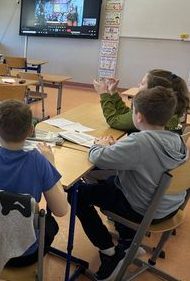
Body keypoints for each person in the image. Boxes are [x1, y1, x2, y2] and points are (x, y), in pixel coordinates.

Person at [74, 86, 188, 281]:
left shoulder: (140, 142)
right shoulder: (177, 140)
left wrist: (99, 146)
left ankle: (109, 252)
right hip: (169, 207)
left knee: (77, 192)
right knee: (112, 181)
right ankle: (128, 242)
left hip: (144, 210)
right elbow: (143, 157)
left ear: (139, 116)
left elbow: (98, 158)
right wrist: (118, 149)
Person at [0, 100, 67, 269]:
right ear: (31, 130)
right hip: (22, 255)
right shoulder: (38, 161)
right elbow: (61, 210)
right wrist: (51, 165)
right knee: (50, 224)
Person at [94, 69, 189, 132]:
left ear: (153, 91)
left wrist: (104, 94)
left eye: (143, 83)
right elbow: (128, 115)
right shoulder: (166, 111)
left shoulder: (148, 113)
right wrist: (113, 92)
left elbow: (114, 121)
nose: (138, 85)